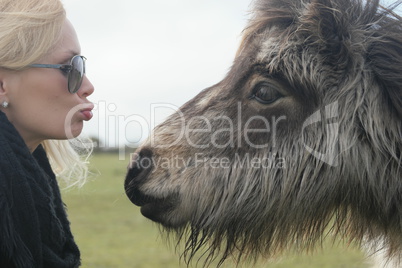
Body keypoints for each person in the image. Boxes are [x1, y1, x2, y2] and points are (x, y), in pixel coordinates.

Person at [0, 0, 94, 267]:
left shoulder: (28, 183)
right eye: (71, 68)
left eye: (82, 66)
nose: (87, 86)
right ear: (2, 85)